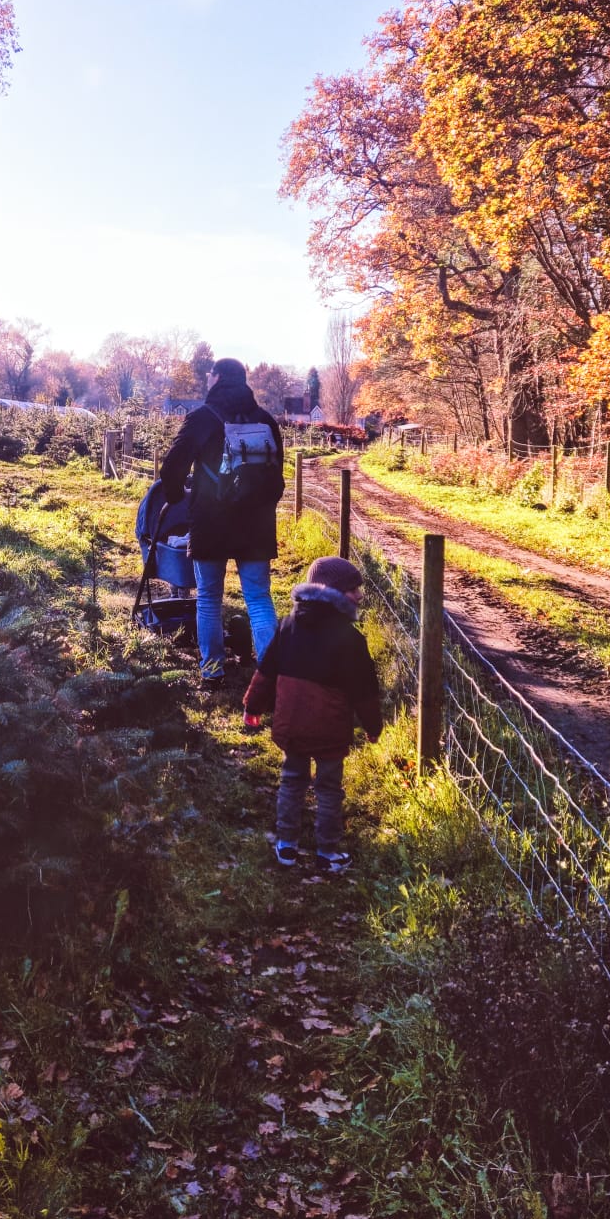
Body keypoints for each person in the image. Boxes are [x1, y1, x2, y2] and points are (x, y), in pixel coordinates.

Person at [242, 555, 382, 875]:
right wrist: (373, 727)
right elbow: (365, 690)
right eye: (353, 590)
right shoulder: (350, 639)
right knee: (328, 787)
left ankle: (286, 846)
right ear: (332, 592)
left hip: (291, 722)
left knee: (292, 780)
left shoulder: (287, 626)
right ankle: (326, 851)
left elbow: (267, 669)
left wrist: (253, 706)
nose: (359, 595)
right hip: (329, 727)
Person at [160, 355, 285, 686]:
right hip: (256, 525)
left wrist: (178, 498)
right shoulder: (266, 420)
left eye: (209, 376)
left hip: (211, 522)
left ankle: (212, 670)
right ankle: (270, 678)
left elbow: (171, 469)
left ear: (216, 379)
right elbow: (278, 480)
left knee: (209, 598)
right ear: (243, 381)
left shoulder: (201, 418)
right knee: (258, 599)